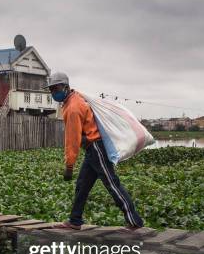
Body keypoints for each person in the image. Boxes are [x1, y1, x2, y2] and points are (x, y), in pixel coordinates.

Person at [47, 72, 144, 230]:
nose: (53, 93)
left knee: (112, 183)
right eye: (51, 90)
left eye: (55, 88)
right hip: (92, 149)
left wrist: (69, 166)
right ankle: (75, 220)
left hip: (97, 148)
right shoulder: (75, 97)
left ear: (65, 87)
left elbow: (72, 139)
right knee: (82, 185)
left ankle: (134, 221)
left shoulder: (72, 107)